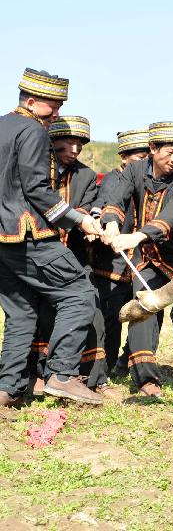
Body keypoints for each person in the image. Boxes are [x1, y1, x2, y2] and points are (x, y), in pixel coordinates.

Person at [0, 68, 104, 407]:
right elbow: (37, 190)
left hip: (1, 238)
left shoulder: (2, 126)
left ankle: (8, 389)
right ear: (31, 101)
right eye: (53, 106)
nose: (57, 113)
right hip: (27, 233)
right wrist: (79, 221)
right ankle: (62, 375)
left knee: (20, 312)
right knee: (79, 292)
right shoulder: (33, 130)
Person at [101, 122, 173, 398]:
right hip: (147, 259)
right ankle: (147, 379)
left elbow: (172, 217)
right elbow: (115, 196)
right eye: (169, 152)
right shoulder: (134, 170)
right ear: (152, 148)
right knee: (144, 309)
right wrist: (111, 222)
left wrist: (136, 237)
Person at [29, 116, 116, 399]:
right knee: (39, 312)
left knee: (90, 308)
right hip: (37, 251)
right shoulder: (37, 168)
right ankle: (38, 373)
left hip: (76, 255)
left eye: (80, 144)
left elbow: (91, 206)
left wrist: (89, 223)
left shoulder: (87, 175)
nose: (75, 149)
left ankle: (91, 376)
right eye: (69, 142)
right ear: (52, 142)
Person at [90, 128, 151, 375]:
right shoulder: (113, 181)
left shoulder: (149, 182)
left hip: (140, 264)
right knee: (112, 319)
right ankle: (103, 369)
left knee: (146, 316)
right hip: (113, 264)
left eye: (148, 159)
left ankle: (129, 362)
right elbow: (102, 208)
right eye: (139, 159)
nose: (144, 165)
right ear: (124, 158)